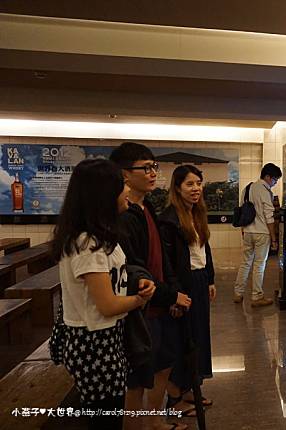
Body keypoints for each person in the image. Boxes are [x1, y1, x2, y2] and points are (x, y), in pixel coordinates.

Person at [51, 159, 156, 429]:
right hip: (94, 345)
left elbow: (115, 277)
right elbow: (107, 305)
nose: (127, 191)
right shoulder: (88, 244)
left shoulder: (100, 237)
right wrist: (140, 299)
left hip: (107, 339)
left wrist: (138, 283)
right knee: (104, 420)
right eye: (122, 186)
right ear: (104, 195)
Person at [110, 142, 192, 430]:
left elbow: (163, 260)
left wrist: (173, 293)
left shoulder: (147, 207)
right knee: (137, 376)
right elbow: (134, 268)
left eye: (154, 167)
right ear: (124, 174)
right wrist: (169, 295)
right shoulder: (124, 215)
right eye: (145, 168)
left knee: (163, 363)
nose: (153, 173)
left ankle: (154, 419)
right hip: (141, 306)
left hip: (160, 302)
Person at [158, 165, 216, 413]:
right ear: (177, 187)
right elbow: (167, 263)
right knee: (181, 339)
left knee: (198, 337)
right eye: (189, 184)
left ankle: (191, 388)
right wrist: (174, 294)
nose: (196, 189)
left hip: (199, 280)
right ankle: (174, 397)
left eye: (198, 183)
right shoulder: (169, 220)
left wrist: (210, 279)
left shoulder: (197, 213)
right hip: (184, 284)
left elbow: (204, 250)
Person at [233, 163, 282, 307]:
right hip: (262, 233)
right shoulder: (265, 191)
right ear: (267, 177)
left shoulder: (248, 188)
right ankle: (257, 296)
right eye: (274, 179)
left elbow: (242, 211)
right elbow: (269, 216)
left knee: (245, 263)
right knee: (259, 265)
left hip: (248, 232)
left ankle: (238, 293)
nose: (275, 183)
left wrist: (243, 230)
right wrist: (274, 238)